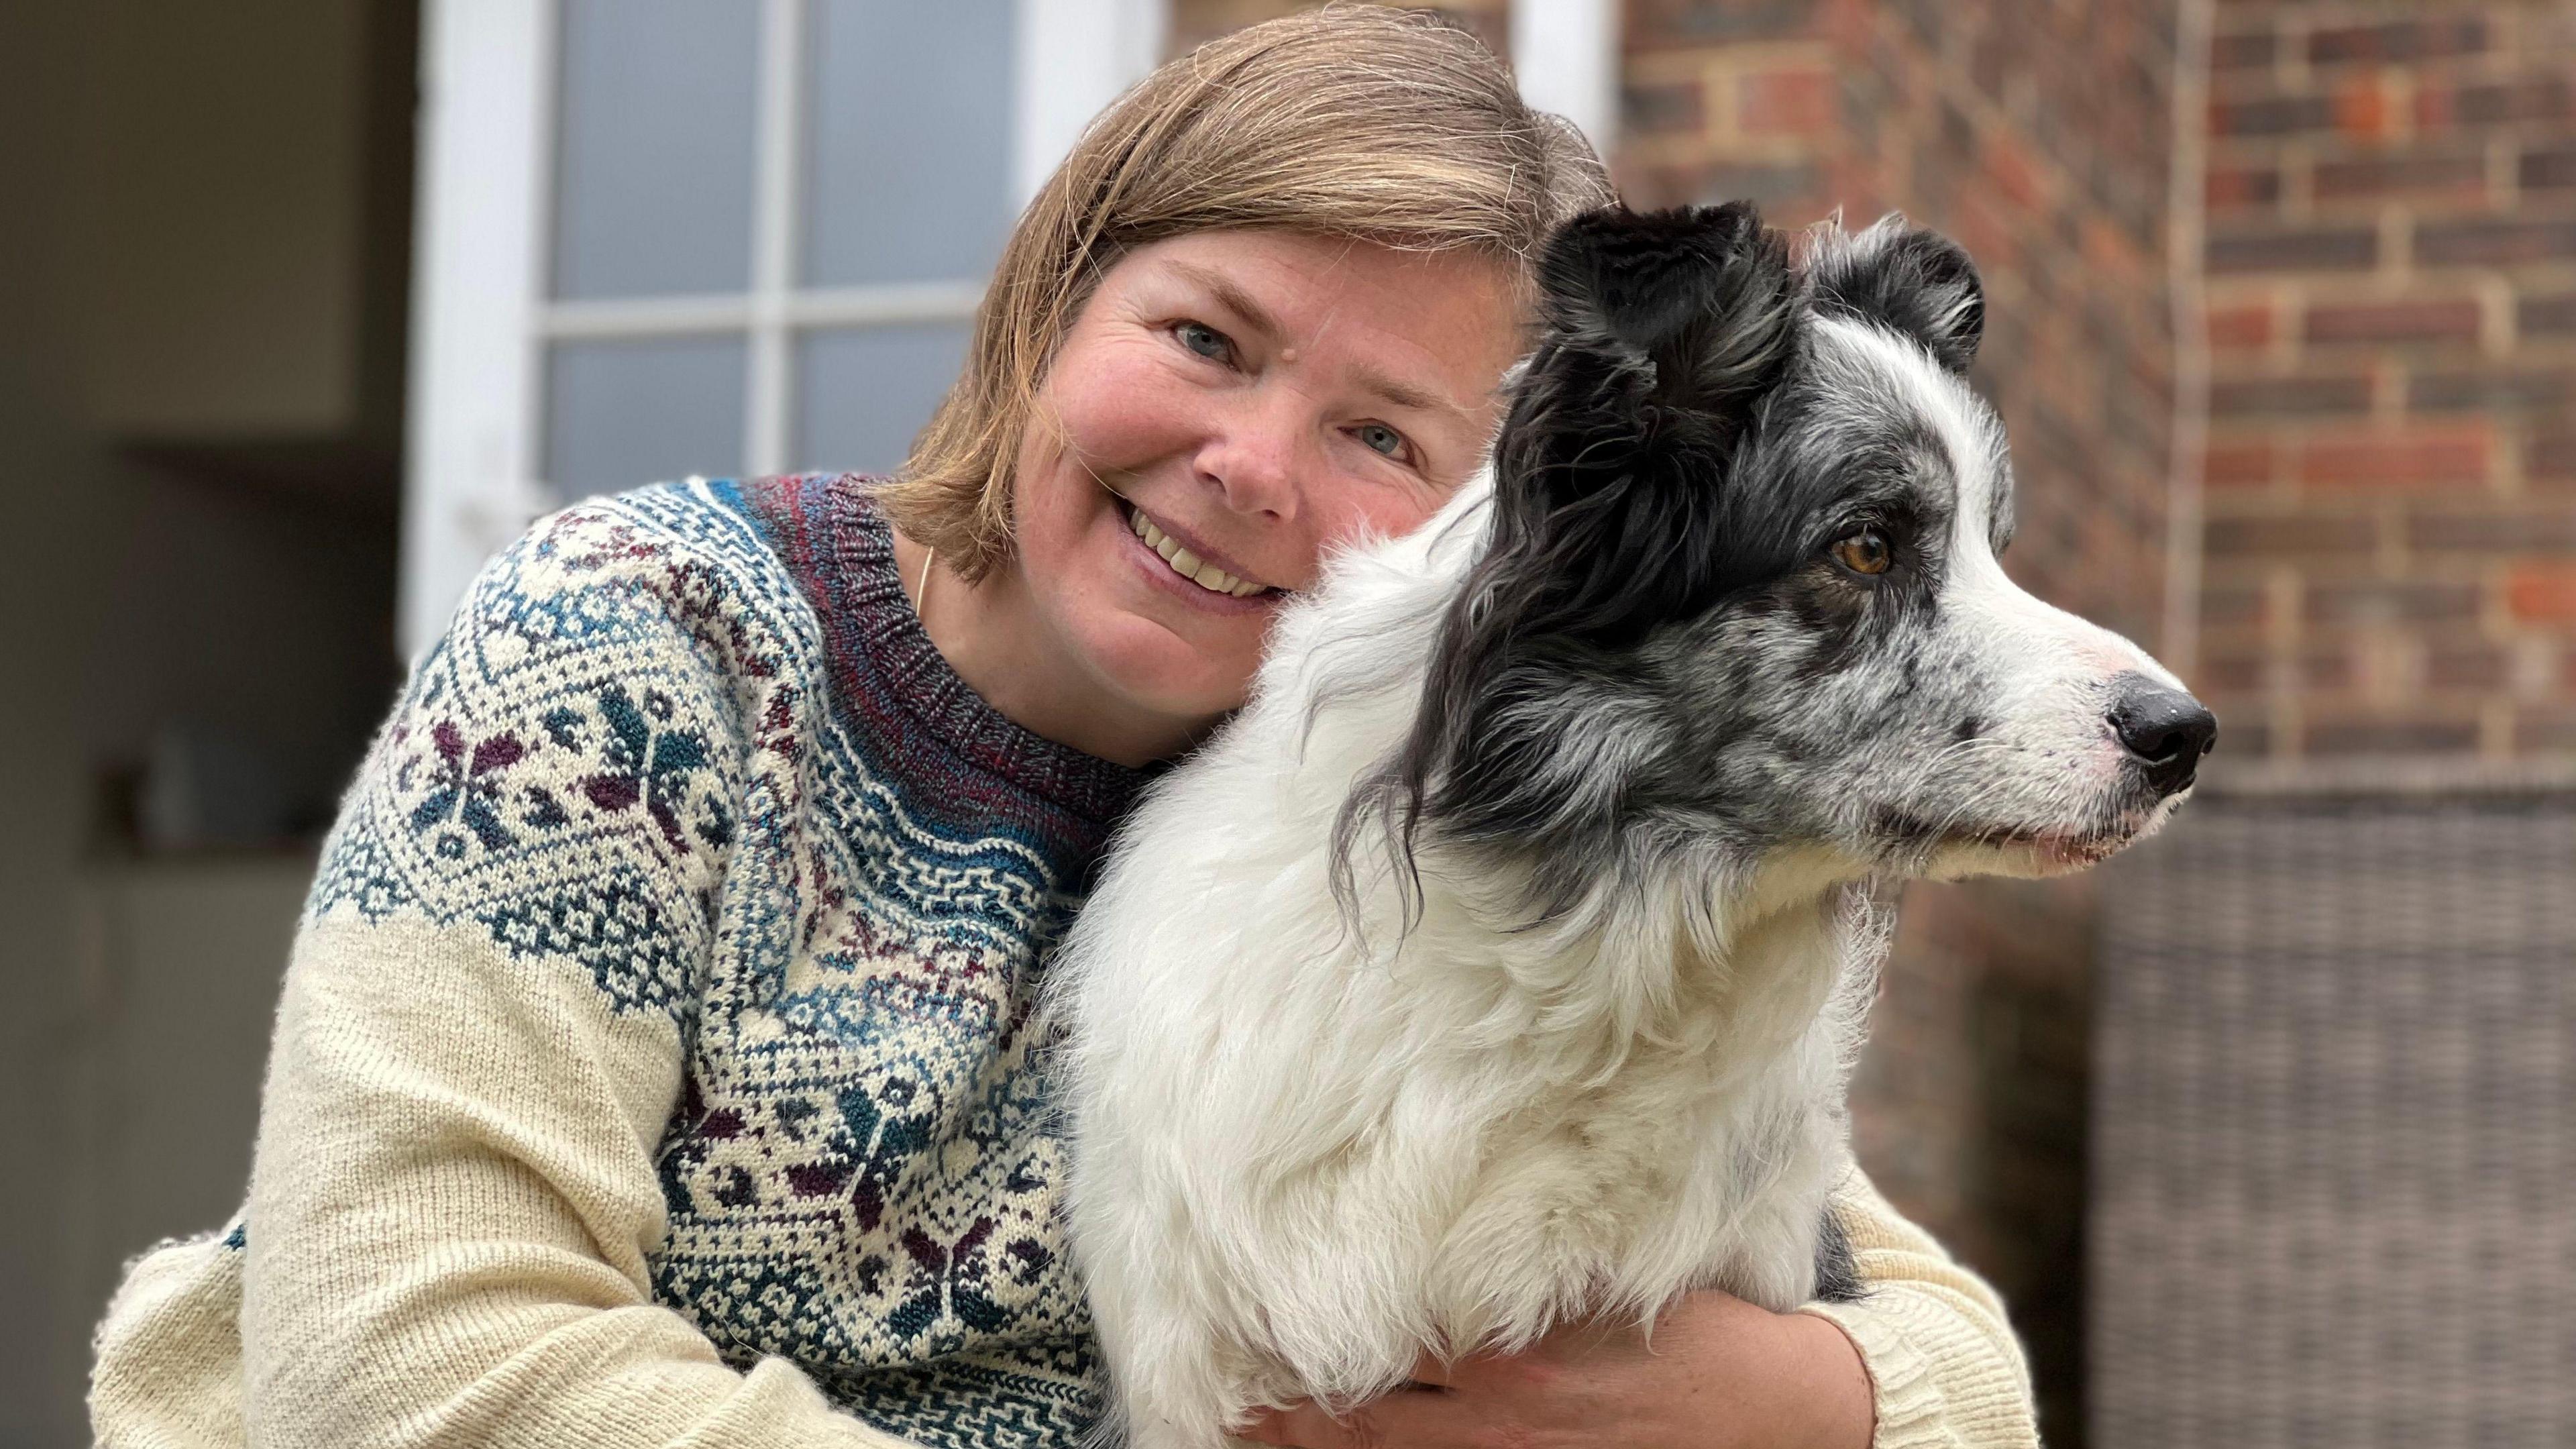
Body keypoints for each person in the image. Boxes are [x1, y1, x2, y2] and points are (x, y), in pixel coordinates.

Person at [91, 10, 2039, 1448]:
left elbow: (1958, 1361)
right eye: (1205, 339)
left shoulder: (1407, 802)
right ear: (1052, 305)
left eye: (1379, 435)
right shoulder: (640, 649)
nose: (1251, 468)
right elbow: (404, 1344)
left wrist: (1779, 1403)